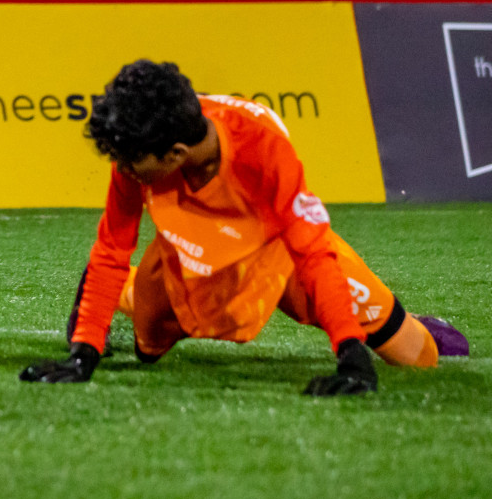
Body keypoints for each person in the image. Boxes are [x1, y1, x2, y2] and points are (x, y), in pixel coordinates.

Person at [25, 61, 466, 393]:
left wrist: (350, 352)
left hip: (280, 247)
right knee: (148, 348)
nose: (121, 169)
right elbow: (112, 249)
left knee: (417, 358)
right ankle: (130, 294)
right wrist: (84, 351)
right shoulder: (143, 147)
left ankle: (416, 325)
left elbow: (312, 252)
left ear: (177, 154)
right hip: (195, 251)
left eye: (128, 162)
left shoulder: (263, 152)